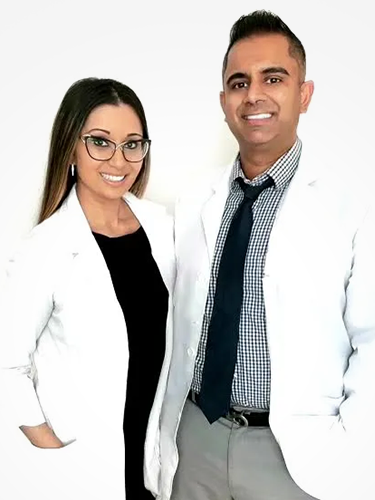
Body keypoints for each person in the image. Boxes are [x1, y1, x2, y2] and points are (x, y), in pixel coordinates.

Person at [161, 10, 375, 500]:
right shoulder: (195, 202)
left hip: (295, 454)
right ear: (224, 102)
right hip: (197, 437)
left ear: (304, 93)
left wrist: (351, 449)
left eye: (273, 78)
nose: (253, 94)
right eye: (239, 82)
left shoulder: (352, 208)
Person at [0, 77, 175, 500]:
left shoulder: (161, 226)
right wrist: (53, 453)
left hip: (153, 461)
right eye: (101, 142)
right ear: (71, 147)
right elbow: (7, 366)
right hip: (84, 472)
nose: (119, 159)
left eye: (133, 143)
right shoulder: (43, 249)